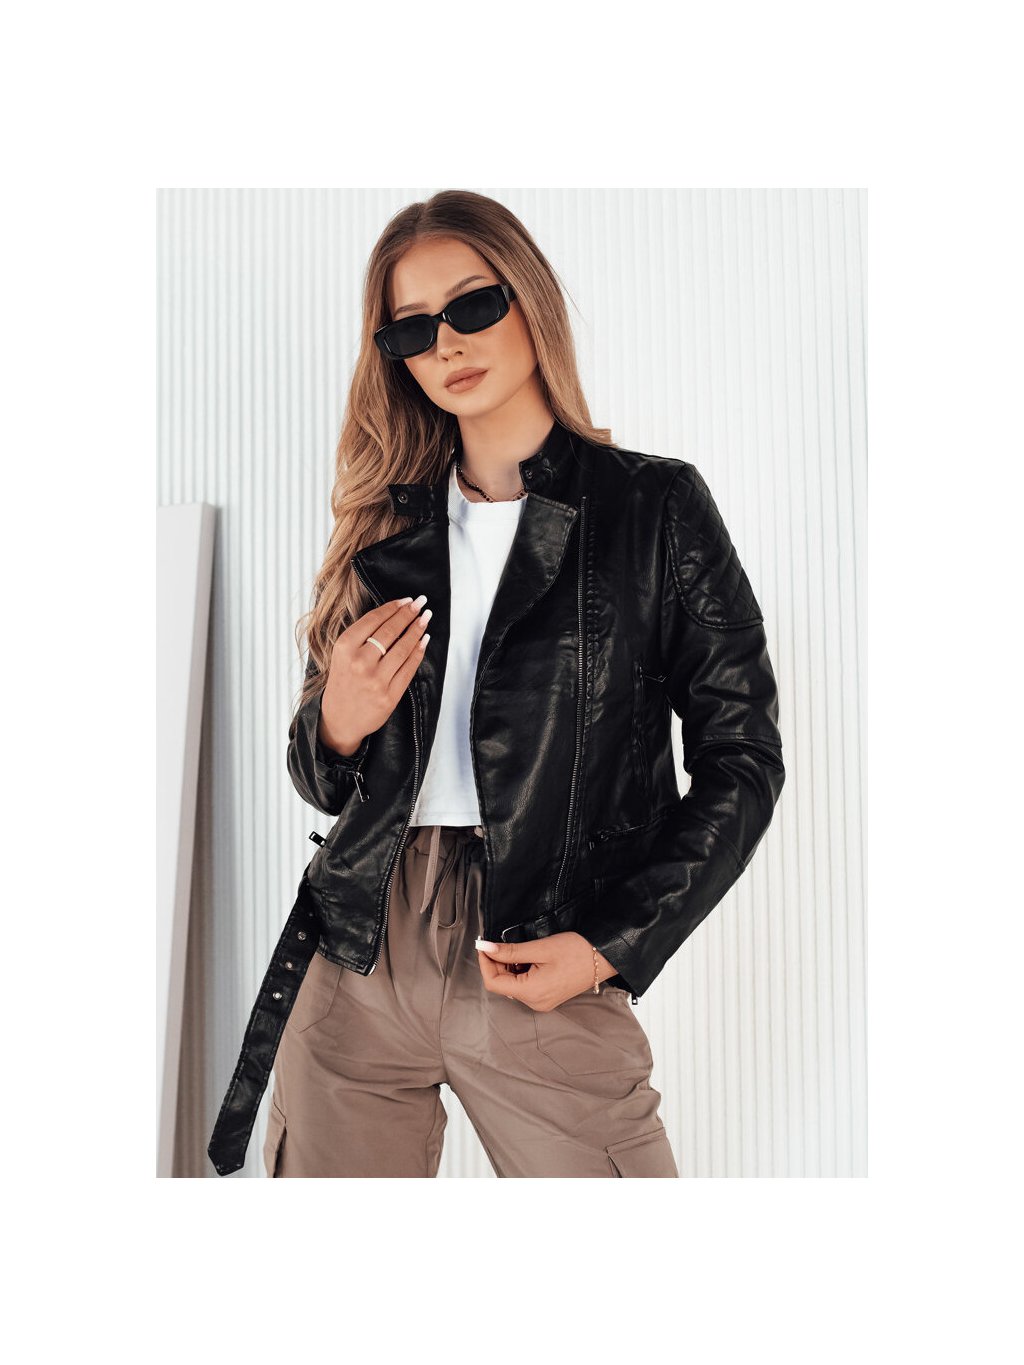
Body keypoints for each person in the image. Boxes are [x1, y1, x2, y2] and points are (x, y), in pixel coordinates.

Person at [207, 189, 786, 1178]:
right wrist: (336, 722)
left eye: (473, 304)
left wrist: (609, 943)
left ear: (530, 299)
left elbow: (743, 760)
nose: (447, 343)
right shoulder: (382, 523)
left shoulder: (651, 507)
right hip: (358, 946)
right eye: (412, 328)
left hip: (540, 939)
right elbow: (322, 778)